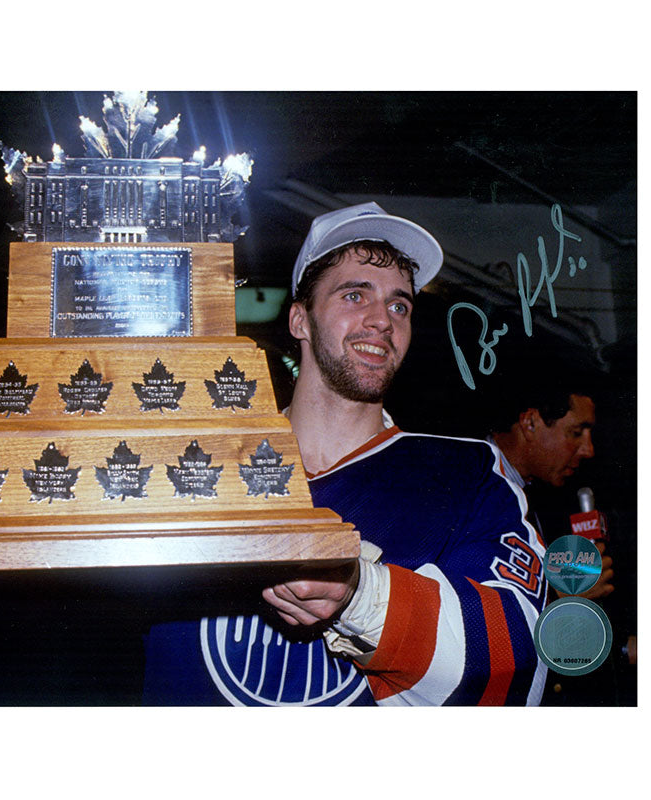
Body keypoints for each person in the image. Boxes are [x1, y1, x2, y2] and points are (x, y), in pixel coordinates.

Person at [142, 201, 548, 706]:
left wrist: (362, 596)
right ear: (300, 320)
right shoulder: (194, 465)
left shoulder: (467, 472)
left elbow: (520, 655)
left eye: (400, 305)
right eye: (355, 295)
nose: (381, 319)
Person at [486, 377, 614, 603]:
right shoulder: (468, 484)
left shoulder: (535, 495)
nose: (589, 450)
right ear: (530, 423)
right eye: (576, 432)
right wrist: (560, 599)